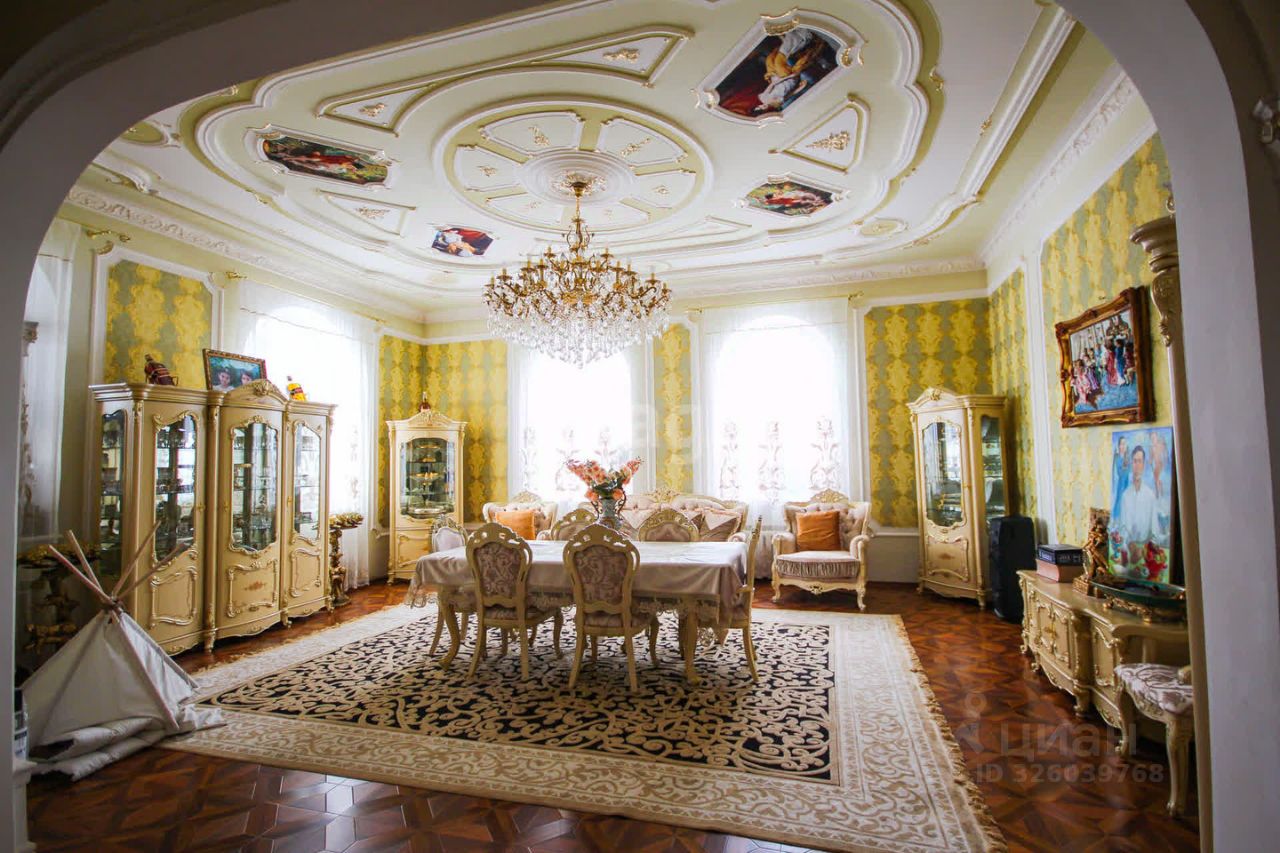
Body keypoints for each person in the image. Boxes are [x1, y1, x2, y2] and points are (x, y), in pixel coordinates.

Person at [1114, 444, 1165, 567]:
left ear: (1144, 465)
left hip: (1145, 553)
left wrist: (1142, 551)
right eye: (1135, 461)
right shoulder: (1125, 496)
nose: (1137, 465)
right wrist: (1130, 546)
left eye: (1140, 461)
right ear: (1131, 464)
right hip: (1128, 551)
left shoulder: (1150, 496)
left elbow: (1155, 533)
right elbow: (1122, 529)